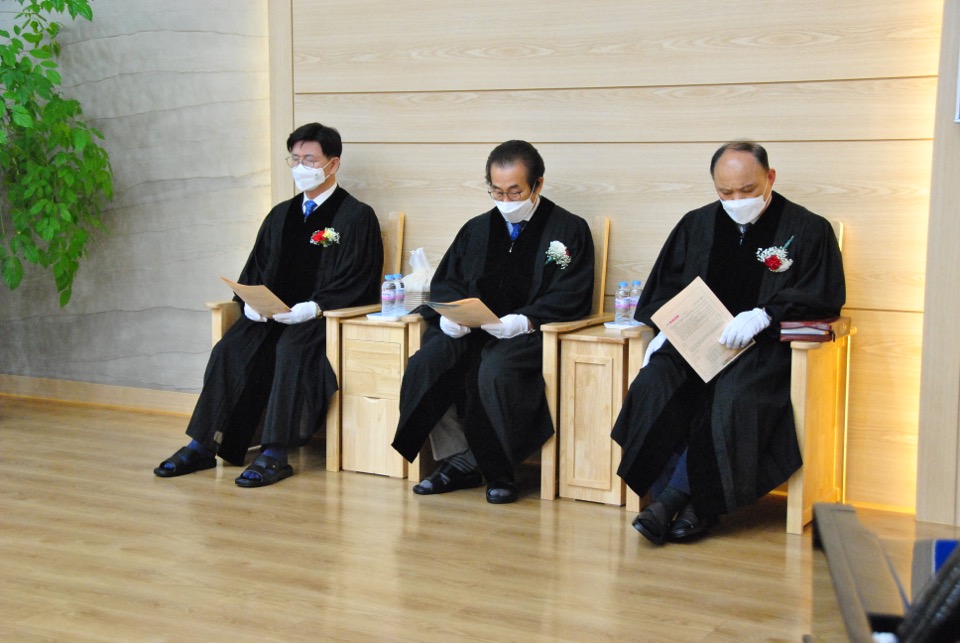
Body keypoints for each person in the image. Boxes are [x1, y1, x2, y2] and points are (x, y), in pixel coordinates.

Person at [612, 141, 845, 544]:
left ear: (770, 178)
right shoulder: (696, 225)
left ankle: (678, 503)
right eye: (726, 192)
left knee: (733, 397)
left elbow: (823, 295)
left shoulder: (808, 229)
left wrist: (765, 314)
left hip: (763, 348)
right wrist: (669, 327)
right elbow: (663, 290)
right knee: (654, 384)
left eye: (747, 189)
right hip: (696, 345)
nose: (737, 200)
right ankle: (681, 505)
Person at [154, 123, 383, 487]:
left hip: (316, 320)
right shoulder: (280, 215)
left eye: (310, 159)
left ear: (333, 163)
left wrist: (315, 307)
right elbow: (256, 268)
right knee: (230, 348)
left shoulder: (356, 216)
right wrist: (250, 302)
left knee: (291, 351)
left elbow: (359, 278)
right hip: (270, 316)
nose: (301, 167)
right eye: (295, 159)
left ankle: (276, 453)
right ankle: (202, 444)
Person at [391, 140, 594, 504]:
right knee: (427, 362)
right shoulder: (477, 229)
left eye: (515, 191)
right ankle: (458, 457)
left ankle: (496, 470)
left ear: (538, 184)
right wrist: (450, 315)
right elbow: (448, 282)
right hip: (472, 331)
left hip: (528, 335)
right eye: (497, 191)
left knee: (495, 369)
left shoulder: (567, 230)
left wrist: (526, 320)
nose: (506, 200)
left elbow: (571, 292)